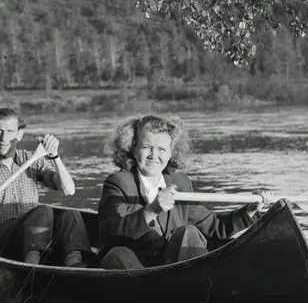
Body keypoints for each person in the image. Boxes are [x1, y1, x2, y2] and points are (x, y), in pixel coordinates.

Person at [95, 113, 277, 269]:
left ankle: (200, 284)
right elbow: (112, 233)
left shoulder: (180, 182)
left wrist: (249, 210)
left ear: (171, 152)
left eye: (161, 149)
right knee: (117, 254)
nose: (154, 155)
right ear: (133, 148)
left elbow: (214, 227)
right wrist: (152, 210)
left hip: (173, 268)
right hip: (135, 270)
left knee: (188, 233)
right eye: (146, 147)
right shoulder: (118, 182)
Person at [0, 107, 92, 267]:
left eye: (10, 131)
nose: (3, 138)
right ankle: (32, 267)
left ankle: (74, 263)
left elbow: (68, 190)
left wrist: (55, 157)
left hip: (30, 233)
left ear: (19, 134)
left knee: (70, 215)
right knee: (42, 212)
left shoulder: (31, 160)